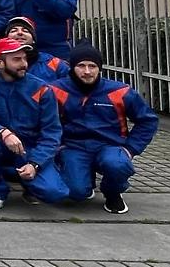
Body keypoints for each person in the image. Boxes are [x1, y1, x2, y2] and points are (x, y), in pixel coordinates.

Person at [0, 37, 69, 215]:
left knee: (54, 193)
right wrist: (2, 132)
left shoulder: (42, 89)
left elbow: (51, 133)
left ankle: (25, 180)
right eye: (16, 59)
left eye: (24, 58)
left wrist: (35, 164)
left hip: (30, 148)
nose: (24, 64)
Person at [55, 42, 158, 214]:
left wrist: (130, 149)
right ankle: (85, 182)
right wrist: (58, 147)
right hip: (73, 147)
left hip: (110, 146)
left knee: (117, 164)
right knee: (75, 192)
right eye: (81, 66)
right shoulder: (55, 90)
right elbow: (43, 122)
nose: (87, 71)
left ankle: (113, 192)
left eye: (92, 66)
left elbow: (148, 121)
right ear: (72, 67)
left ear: (100, 68)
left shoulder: (120, 91)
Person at [0, 16, 69, 82]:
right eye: (13, 31)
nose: (20, 33)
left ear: (33, 40)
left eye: (25, 31)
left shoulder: (54, 64)